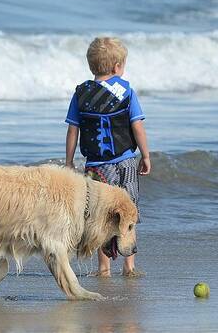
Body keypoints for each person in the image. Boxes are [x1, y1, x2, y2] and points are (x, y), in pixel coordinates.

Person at [64, 36, 151, 277]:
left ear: (92, 66)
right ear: (117, 67)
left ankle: (104, 268)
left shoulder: (81, 94)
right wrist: (145, 155)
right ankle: (129, 266)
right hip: (125, 161)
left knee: (101, 216)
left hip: (97, 167)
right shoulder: (127, 92)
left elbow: (73, 129)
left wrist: (69, 161)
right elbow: (137, 127)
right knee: (129, 212)